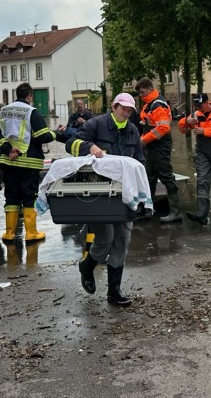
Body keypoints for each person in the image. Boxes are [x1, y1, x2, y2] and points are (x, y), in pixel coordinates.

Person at [66, 93, 145, 306]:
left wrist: (143, 197)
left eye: (129, 110)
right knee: (105, 238)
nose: (126, 113)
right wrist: (88, 147)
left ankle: (114, 291)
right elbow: (71, 143)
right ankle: (88, 266)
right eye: (123, 109)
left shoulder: (133, 130)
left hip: (124, 193)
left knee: (122, 239)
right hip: (99, 194)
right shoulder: (96, 124)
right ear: (114, 106)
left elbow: (139, 162)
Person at [0, 82, 56, 242]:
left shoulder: (4, 111)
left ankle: (9, 234)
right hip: (29, 162)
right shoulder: (31, 112)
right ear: (29, 96)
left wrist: (7, 149)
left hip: (9, 161)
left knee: (11, 196)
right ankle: (31, 233)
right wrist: (56, 133)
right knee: (29, 196)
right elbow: (43, 136)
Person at [178, 93, 211, 224]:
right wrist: (185, 121)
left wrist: (204, 131)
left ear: (208, 102)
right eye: (197, 106)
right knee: (202, 180)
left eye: (200, 105)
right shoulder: (196, 114)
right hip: (202, 151)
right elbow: (182, 129)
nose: (199, 108)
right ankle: (202, 214)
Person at [136, 78, 182, 223]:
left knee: (166, 176)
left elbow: (163, 128)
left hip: (160, 146)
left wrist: (144, 139)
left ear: (149, 89)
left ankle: (176, 211)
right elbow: (149, 124)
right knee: (149, 177)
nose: (141, 96)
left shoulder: (157, 105)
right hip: (153, 145)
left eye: (142, 92)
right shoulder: (150, 105)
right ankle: (148, 210)